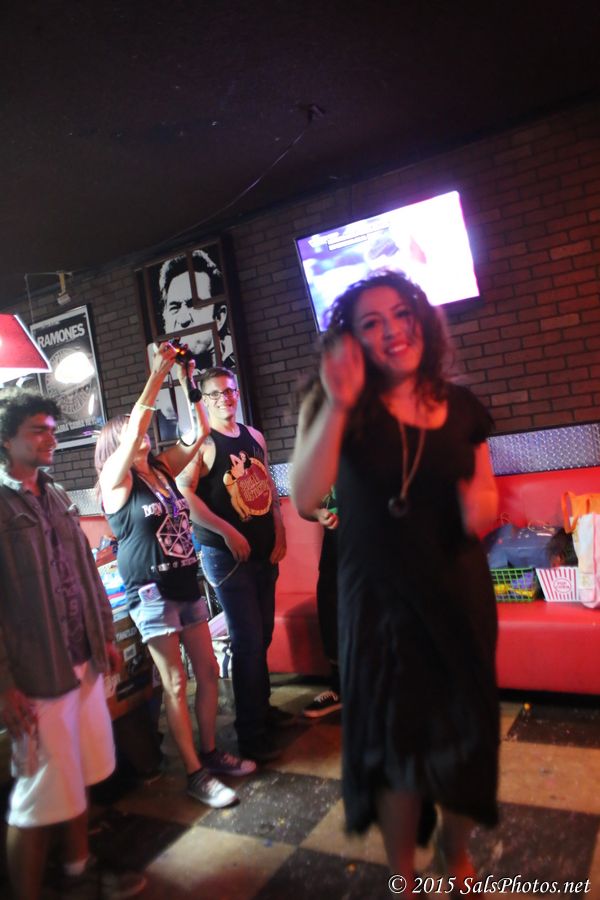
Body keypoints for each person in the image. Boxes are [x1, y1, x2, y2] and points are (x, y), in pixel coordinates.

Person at [291, 271, 499, 891]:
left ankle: (456, 857)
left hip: (457, 596)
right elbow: (305, 495)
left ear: (421, 320)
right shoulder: (334, 402)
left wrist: (480, 507)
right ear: (352, 340)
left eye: (401, 314)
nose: (392, 330)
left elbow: (485, 489)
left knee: (466, 740)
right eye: (371, 323)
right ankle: (402, 874)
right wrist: (339, 402)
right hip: (378, 605)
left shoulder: (461, 405)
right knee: (393, 747)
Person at [95, 343, 256, 812]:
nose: (142, 434)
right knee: (176, 683)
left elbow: (199, 430)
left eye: (142, 429)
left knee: (206, 671)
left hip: (186, 582)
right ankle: (194, 773)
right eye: (131, 432)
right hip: (151, 592)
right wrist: (156, 372)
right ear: (117, 445)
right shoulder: (116, 483)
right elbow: (136, 427)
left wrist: (185, 382)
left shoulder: (162, 470)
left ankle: (210, 751)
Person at [0, 388, 145, 899]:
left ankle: (79, 872)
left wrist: (104, 635)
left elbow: (85, 569)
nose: (51, 438)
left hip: (81, 660)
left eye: (51, 429)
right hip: (36, 673)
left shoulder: (57, 494)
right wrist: (4, 684)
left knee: (77, 771)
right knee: (36, 798)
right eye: (37, 431)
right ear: (6, 439)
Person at [176, 366, 290, 763]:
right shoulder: (202, 441)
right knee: (248, 640)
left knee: (263, 636)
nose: (225, 398)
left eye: (229, 391)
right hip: (225, 555)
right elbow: (184, 494)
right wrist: (226, 531)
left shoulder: (254, 436)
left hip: (263, 551)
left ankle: (262, 709)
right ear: (204, 400)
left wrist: (280, 527)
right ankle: (251, 733)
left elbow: (267, 484)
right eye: (215, 394)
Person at [301, 487, 342, 719]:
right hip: (335, 549)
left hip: (372, 548)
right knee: (330, 613)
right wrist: (318, 514)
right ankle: (339, 689)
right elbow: (304, 504)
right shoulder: (325, 469)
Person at [159, 250, 235, 369]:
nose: (183, 320)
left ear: (219, 317)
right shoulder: (162, 372)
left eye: (194, 305)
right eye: (175, 308)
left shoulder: (237, 361)